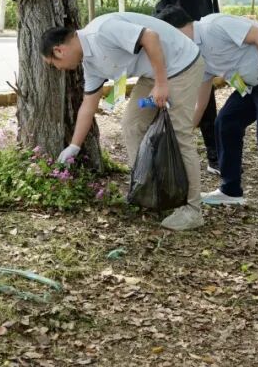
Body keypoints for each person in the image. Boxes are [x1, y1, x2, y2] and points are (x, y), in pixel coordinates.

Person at [40, 12, 206, 231]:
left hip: (182, 66)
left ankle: (193, 210)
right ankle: (152, 190)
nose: (58, 69)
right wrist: (74, 146)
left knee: (179, 134)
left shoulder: (102, 31)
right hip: (153, 74)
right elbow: (88, 107)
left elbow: (151, 37)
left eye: (53, 64)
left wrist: (161, 83)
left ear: (59, 50)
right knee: (131, 123)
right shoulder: (91, 64)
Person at [158, 6, 258, 225]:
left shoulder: (214, 26)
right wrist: (185, 130)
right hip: (252, 84)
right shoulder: (195, 53)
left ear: (178, 29)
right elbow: (201, 100)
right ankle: (231, 190)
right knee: (226, 123)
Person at [155, 0, 243, 177]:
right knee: (195, 97)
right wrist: (156, 30)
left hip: (204, 36)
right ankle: (203, 153)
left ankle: (212, 154)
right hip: (187, 38)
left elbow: (209, 0)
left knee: (204, 97)